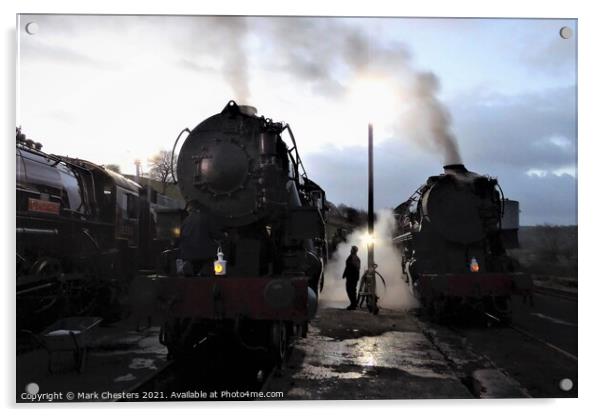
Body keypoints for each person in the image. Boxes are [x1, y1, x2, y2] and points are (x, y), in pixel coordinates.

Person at [178, 200, 222, 276]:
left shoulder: (185, 221)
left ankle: (190, 271)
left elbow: (180, 237)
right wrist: (225, 236)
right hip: (205, 254)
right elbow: (216, 235)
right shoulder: (206, 218)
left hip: (187, 254)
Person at [342, 245, 361, 310]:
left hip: (352, 277)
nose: (350, 250)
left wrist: (347, 274)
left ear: (354, 250)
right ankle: (353, 304)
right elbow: (348, 267)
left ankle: (353, 304)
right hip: (351, 277)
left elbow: (355, 268)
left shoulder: (354, 258)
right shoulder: (353, 257)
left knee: (351, 290)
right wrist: (344, 274)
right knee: (351, 290)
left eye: (352, 249)